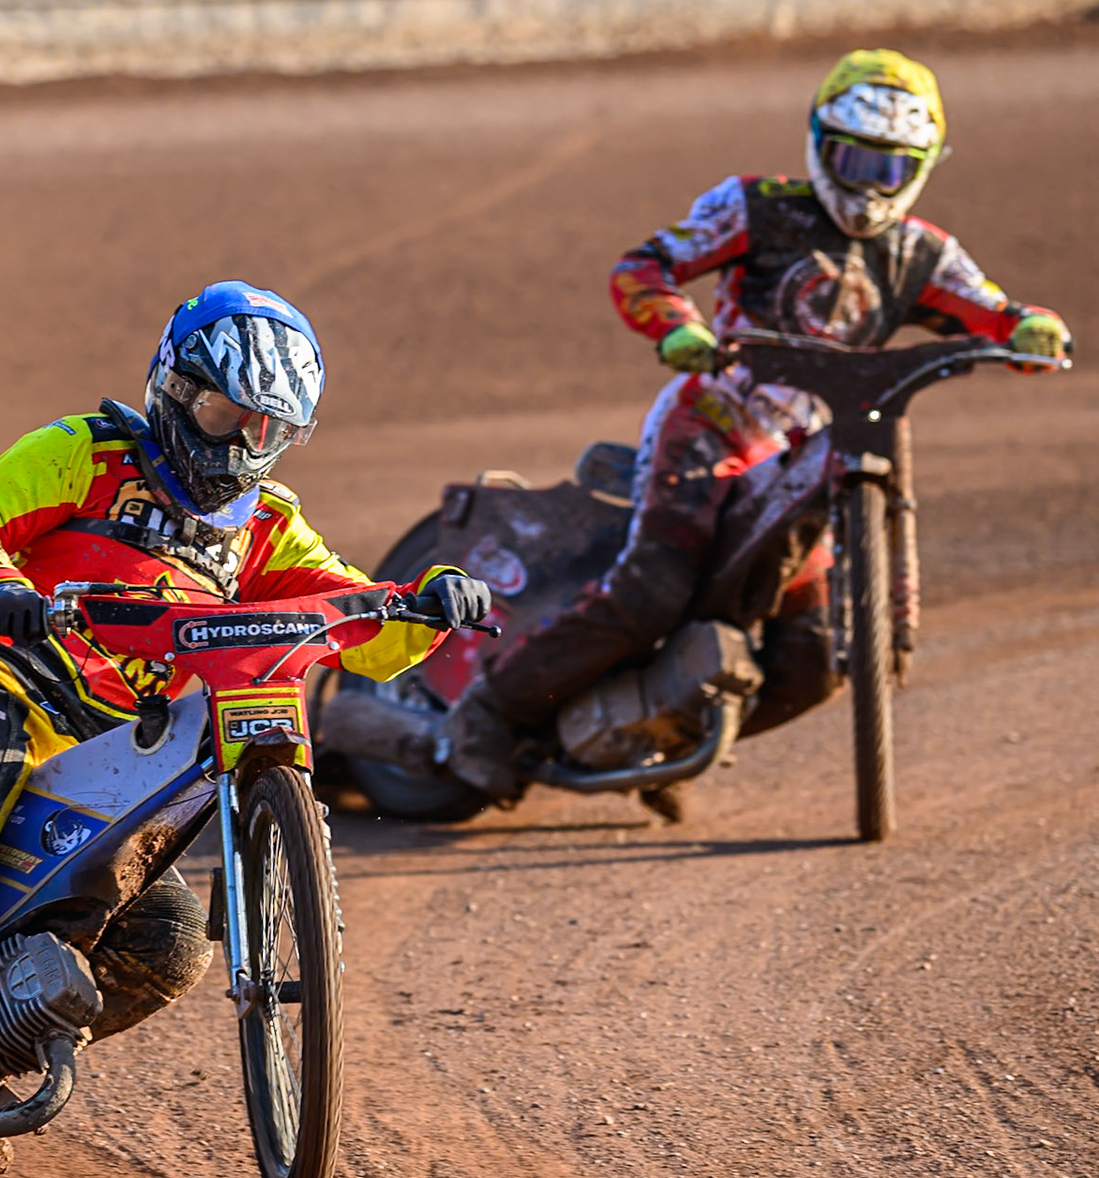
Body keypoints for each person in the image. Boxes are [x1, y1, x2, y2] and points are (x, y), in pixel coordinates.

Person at [0, 281, 493, 1160]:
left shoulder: (268, 527)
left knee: (166, 945)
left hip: (106, 749)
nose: (245, 445)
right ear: (176, 390)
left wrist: (422, 604)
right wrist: (0, 588)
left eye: (270, 430)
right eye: (226, 413)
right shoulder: (86, 452)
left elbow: (351, 623)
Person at [447, 48, 1073, 807]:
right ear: (817, 140)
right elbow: (645, 265)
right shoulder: (756, 205)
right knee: (653, 589)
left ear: (922, 166)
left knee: (816, 663)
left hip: (816, 454)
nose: (867, 186)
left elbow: (996, 311)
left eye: (889, 167)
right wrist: (677, 326)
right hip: (715, 418)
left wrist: (1034, 329)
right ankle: (485, 712)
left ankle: (657, 734)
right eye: (851, 159)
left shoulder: (924, 252)